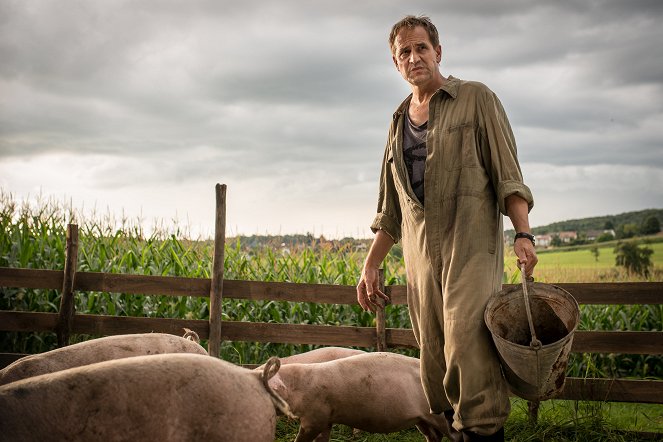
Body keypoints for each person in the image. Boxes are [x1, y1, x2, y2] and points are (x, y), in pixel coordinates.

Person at [356, 15, 538, 442]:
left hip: (470, 249)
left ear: (439, 52)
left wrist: (524, 235)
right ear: (395, 64)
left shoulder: (475, 99)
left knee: (469, 347)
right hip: (420, 261)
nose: (414, 57)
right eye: (404, 52)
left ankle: (483, 433)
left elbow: (508, 176)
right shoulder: (397, 122)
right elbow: (390, 209)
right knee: (435, 357)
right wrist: (370, 266)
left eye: (421, 47)